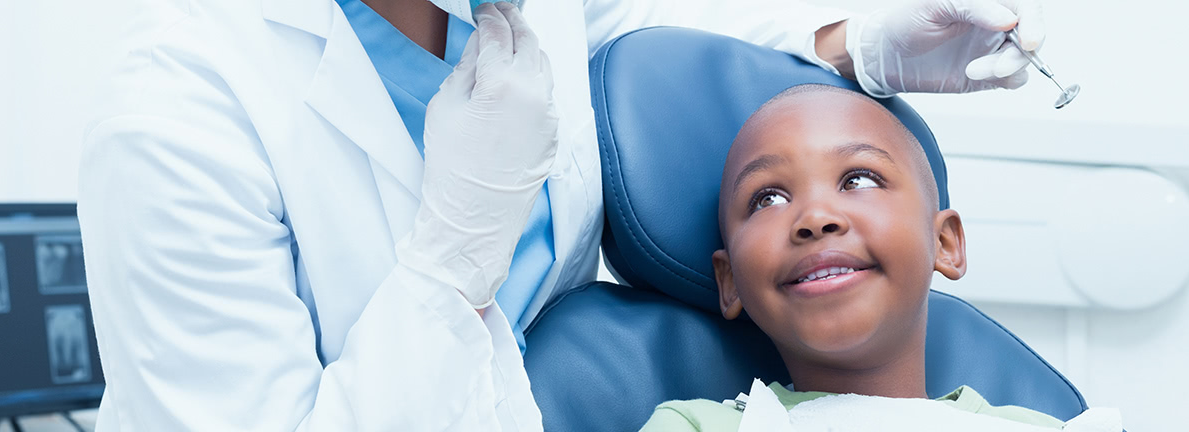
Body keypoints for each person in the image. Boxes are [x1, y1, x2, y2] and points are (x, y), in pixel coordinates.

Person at [77, 0, 1053, 430]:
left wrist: (857, 48)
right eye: (771, 197)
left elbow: (634, 38)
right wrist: (453, 252)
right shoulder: (177, 119)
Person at [637, 84, 1120, 431]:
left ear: (945, 243)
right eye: (768, 198)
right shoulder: (696, 426)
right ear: (731, 282)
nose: (816, 216)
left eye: (859, 180)